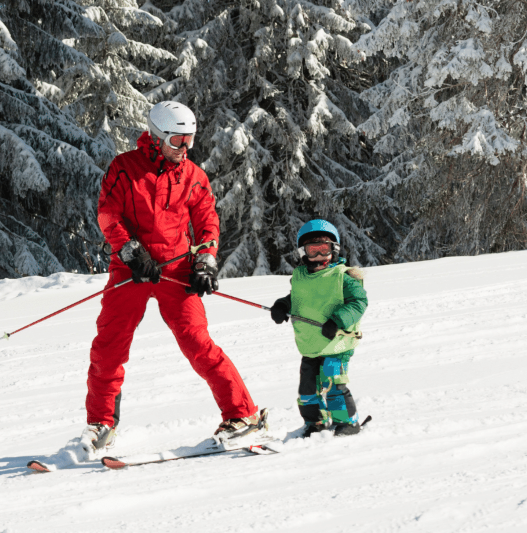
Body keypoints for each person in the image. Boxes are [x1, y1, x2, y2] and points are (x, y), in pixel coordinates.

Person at [81, 101, 262, 455]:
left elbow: (207, 220)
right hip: (132, 268)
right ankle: (100, 424)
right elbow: (108, 214)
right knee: (109, 346)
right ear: (157, 136)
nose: (186, 149)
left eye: (190, 141)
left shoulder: (193, 175)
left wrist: (205, 262)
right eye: (179, 140)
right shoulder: (124, 168)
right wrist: (130, 251)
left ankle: (242, 415)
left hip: (176, 269)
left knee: (197, 342)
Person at [269, 219, 368, 437]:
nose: (319, 256)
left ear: (335, 249)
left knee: (333, 384)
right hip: (310, 344)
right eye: (313, 251)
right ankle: (316, 422)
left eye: (325, 250)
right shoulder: (301, 277)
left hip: (337, 342)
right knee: (307, 389)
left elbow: (358, 302)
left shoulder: (343, 276)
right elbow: (298, 298)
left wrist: (338, 320)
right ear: (303, 252)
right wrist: (282, 305)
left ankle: (348, 422)